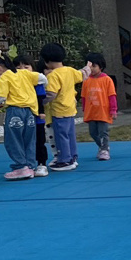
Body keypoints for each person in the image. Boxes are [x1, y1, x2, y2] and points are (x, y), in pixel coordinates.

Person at [0, 53, 47, 180]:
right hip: (30, 111)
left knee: (13, 140)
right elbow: (42, 79)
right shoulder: (24, 73)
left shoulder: (4, 78)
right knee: (29, 140)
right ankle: (30, 165)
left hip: (15, 111)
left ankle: (21, 166)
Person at [40, 42, 90, 172]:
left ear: (47, 61)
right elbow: (82, 74)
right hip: (70, 109)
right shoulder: (70, 70)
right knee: (70, 134)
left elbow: (51, 94)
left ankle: (64, 160)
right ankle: (73, 157)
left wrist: (40, 102)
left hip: (59, 110)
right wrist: (88, 67)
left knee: (61, 136)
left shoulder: (53, 75)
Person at [16, 54, 49, 177]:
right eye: (18, 68)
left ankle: (42, 164)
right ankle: (27, 165)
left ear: (33, 69)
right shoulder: (14, 82)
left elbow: (40, 98)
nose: (23, 70)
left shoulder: (37, 82)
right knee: (24, 141)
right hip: (22, 117)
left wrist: (41, 112)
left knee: (39, 141)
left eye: (26, 67)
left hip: (36, 118)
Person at [82, 52, 117, 160]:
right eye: (89, 66)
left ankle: (104, 149)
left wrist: (113, 110)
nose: (91, 69)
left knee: (103, 132)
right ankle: (102, 147)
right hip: (91, 112)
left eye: (94, 66)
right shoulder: (86, 80)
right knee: (93, 133)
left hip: (103, 111)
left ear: (100, 66)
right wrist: (84, 108)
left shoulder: (107, 80)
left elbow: (112, 96)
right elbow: (84, 96)